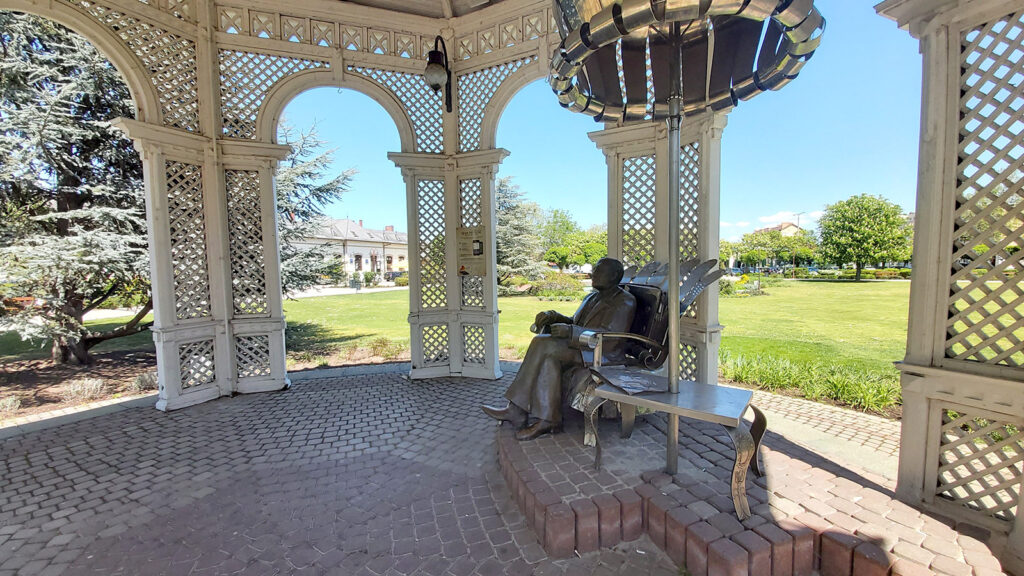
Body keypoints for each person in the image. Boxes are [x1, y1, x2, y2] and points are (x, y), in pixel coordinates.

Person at [482, 258, 636, 440]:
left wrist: (571, 331)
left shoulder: (624, 302)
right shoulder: (592, 297)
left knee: (543, 343)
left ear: (614, 276)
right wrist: (554, 317)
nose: (593, 274)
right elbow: (575, 321)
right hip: (584, 347)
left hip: (603, 353)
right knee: (548, 359)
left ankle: (517, 410)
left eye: (599, 271)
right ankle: (548, 420)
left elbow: (612, 337)